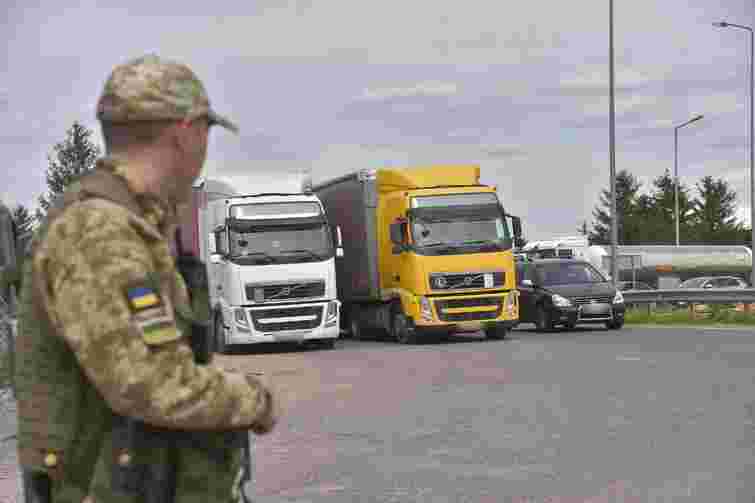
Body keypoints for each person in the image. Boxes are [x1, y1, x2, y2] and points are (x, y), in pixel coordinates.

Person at [14, 54, 279, 503]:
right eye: (206, 132)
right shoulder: (99, 231)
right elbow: (152, 382)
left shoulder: (131, 223)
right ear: (184, 132)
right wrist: (254, 399)